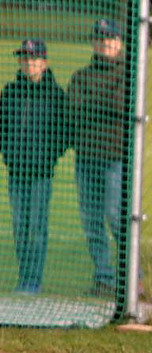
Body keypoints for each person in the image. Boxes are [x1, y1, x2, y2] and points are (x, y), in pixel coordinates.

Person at [0, 39, 68, 295]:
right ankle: (24, 277)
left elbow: (64, 131)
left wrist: (49, 156)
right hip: (16, 171)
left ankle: (34, 280)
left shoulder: (55, 94)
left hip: (41, 173)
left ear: (44, 62)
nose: (28, 63)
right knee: (20, 226)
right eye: (24, 58)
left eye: (33, 58)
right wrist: (8, 153)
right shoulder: (10, 92)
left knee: (36, 226)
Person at [67, 18, 126, 298]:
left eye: (110, 38)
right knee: (91, 222)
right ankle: (103, 277)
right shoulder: (81, 76)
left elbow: (121, 107)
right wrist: (105, 105)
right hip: (86, 158)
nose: (105, 44)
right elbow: (74, 110)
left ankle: (130, 277)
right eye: (100, 38)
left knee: (116, 218)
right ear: (93, 42)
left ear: (120, 42)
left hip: (115, 158)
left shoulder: (128, 75)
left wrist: (94, 104)